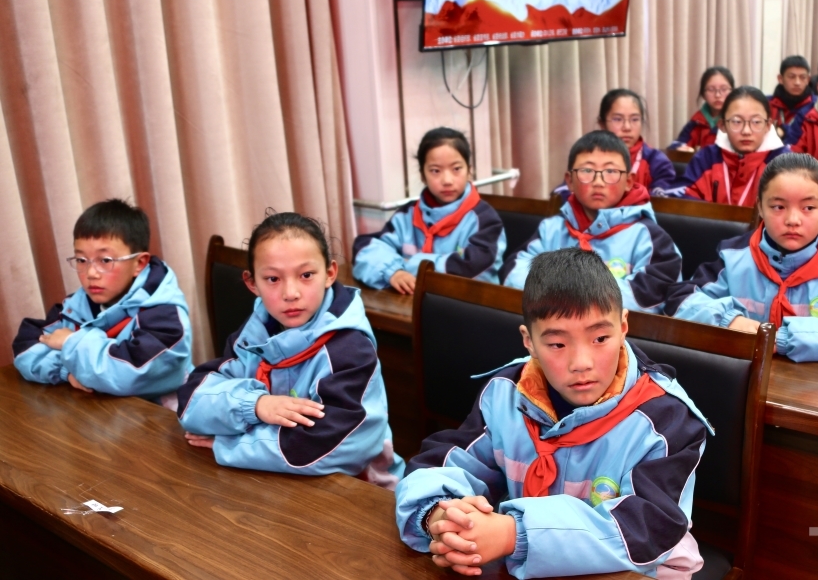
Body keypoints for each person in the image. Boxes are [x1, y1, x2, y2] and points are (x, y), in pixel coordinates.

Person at [395, 248, 712, 579]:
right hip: (530, 563)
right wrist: (442, 517)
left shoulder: (666, 419)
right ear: (529, 341)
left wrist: (514, 534)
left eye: (600, 338)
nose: (581, 363)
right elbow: (447, 462)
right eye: (558, 344)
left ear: (623, 326)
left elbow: (647, 529)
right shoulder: (506, 393)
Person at [177, 212, 404, 483]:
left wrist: (232, 445)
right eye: (273, 279)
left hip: (357, 487)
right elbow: (191, 401)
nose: (290, 293)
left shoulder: (349, 349)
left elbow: (337, 446)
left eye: (306, 275)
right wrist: (255, 405)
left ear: (330, 273)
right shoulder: (255, 334)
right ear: (252, 283)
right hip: (276, 478)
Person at [665, 154, 818, 363]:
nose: (793, 220)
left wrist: (785, 338)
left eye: (808, 207)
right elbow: (680, 301)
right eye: (778, 207)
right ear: (760, 207)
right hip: (745, 382)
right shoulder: (734, 256)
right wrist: (729, 320)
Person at [12, 199, 192, 400]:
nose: (91, 273)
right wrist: (66, 371)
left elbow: (130, 375)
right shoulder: (75, 306)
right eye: (81, 260)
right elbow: (25, 347)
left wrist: (71, 342)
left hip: (157, 414)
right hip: (99, 412)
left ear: (139, 263)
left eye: (105, 260)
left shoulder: (165, 314)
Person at [501, 131, 682, 314]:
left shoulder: (649, 238)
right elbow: (513, 273)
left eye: (610, 171)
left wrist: (567, 287)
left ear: (628, 181)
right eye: (587, 171)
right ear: (570, 181)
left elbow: (650, 300)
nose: (598, 182)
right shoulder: (552, 229)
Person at [352, 128, 506, 294]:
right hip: (411, 304)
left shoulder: (485, 220)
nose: (447, 180)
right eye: (435, 171)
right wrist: (393, 272)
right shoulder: (407, 214)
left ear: (469, 170)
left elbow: (474, 270)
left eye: (456, 169)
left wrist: (407, 264)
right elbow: (365, 249)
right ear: (422, 175)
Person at [665, 87, 789, 206]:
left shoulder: (784, 164)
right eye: (736, 122)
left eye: (756, 122)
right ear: (722, 125)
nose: (746, 131)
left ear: (768, 125)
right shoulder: (707, 159)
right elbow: (680, 198)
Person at [553, 89, 675, 200]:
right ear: (602, 124)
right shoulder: (588, 157)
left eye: (635, 119)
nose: (627, 127)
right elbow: (562, 192)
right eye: (617, 119)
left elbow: (664, 203)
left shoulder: (656, 161)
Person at [670, 67, 735, 152]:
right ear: (703, 94)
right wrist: (679, 148)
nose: (718, 95)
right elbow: (677, 144)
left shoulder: (738, 121)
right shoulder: (696, 122)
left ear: (733, 92)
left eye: (724, 89)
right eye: (711, 89)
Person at [769, 55, 815, 130]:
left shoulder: (816, 106)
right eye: (791, 77)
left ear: (808, 80)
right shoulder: (766, 104)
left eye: (802, 77)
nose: (797, 82)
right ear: (780, 79)